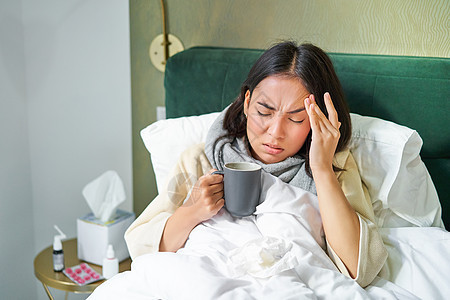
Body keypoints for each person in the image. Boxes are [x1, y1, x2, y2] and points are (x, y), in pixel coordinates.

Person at [125, 41, 387, 288]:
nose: (275, 132)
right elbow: (142, 248)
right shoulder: (200, 160)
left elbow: (359, 269)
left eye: (296, 119)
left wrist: (321, 169)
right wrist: (191, 211)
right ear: (247, 102)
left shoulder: (333, 167)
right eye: (264, 112)